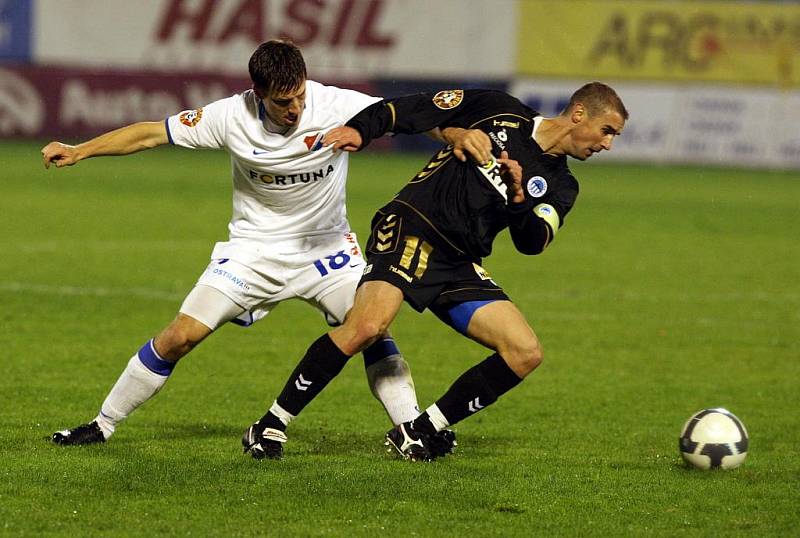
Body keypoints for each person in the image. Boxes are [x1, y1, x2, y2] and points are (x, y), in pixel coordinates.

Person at [40, 40, 458, 459]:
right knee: (180, 336)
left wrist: (455, 133)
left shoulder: (337, 104)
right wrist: (80, 150)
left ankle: (410, 428)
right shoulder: (228, 116)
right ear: (258, 94)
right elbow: (151, 133)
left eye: (299, 96)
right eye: (283, 102)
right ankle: (102, 424)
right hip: (252, 252)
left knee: (371, 328)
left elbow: (410, 115)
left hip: (326, 250)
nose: (295, 109)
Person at [243, 83, 628, 461]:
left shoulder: (562, 185)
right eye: (606, 130)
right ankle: (270, 424)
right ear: (578, 113)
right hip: (414, 226)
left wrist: (518, 198)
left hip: (458, 261)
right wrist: (362, 130)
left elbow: (533, 242)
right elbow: (414, 108)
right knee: (366, 327)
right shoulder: (500, 109)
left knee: (524, 352)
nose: (607, 144)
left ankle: (421, 429)